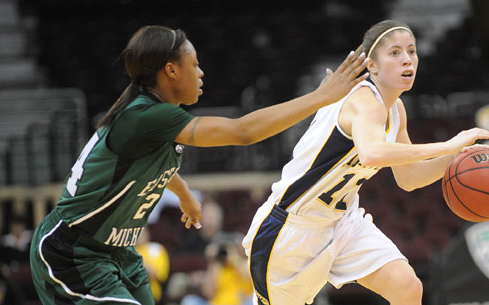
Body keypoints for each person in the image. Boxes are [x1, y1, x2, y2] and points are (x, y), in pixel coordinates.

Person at [29, 25, 369, 305]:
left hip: (118, 253)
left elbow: (145, 165)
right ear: (171, 70)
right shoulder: (146, 116)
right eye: (194, 64)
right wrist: (321, 97)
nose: (202, 72)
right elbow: (242, 131)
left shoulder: (152, 117)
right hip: (72, 251)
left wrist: (185, 193)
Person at [241, 20, 489, 305]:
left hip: (343, 220)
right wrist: (447, 144)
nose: (407, 59)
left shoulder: (396, 110)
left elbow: (409, 177)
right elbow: (372, 153)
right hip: (290, 228)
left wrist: (456, 158)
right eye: (395, 53)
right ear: (372, 66)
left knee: (408, 287)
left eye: (411, 51)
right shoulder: (363, 100)